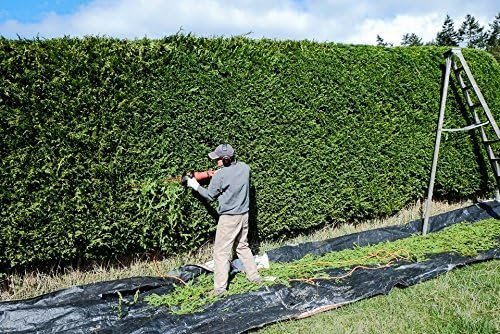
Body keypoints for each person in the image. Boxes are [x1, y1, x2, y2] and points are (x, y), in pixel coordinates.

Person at [186, 144, 262, 296]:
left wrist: (195, 185)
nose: (216, 162)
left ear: (224, 160)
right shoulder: (245, 168)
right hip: (244, 215)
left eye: (218, 159)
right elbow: (233, 178)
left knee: (221, 253)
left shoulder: (220, 176)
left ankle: (220, 289)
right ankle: (254, 277)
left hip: (229, 219)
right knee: (242, 246)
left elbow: (210, 196)